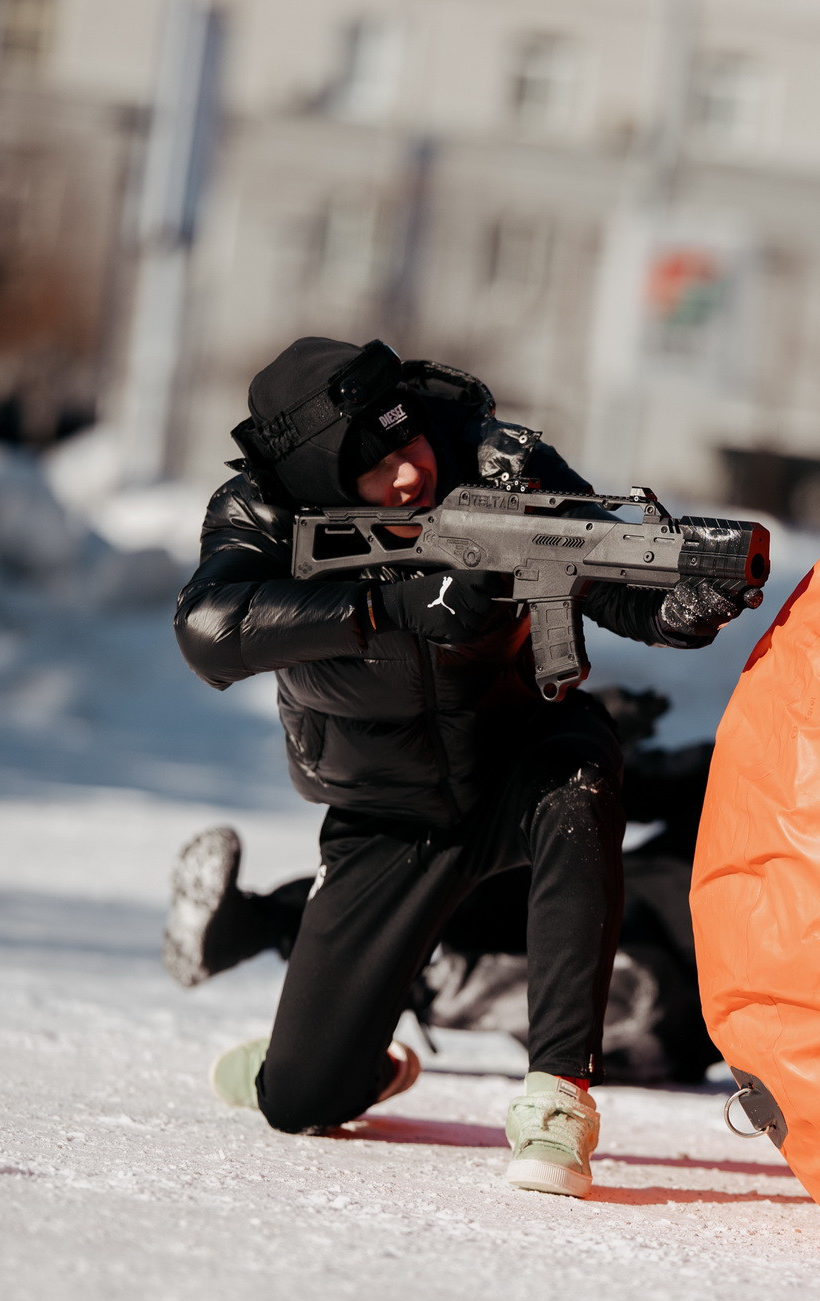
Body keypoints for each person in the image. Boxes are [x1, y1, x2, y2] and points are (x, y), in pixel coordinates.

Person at [165, 337, 754, 1197]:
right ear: (321, 485)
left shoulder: (494, 461)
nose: (409, 474)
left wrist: (676, 607)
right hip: (387, 810)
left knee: (581, 782)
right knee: (300, 1100)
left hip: (521, 757)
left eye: (408, 443)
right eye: (374, 470)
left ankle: (557, 1097)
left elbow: (604, 573)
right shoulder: (259, 510)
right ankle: (334, 1048)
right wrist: (390, 604)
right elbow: (210, 630)